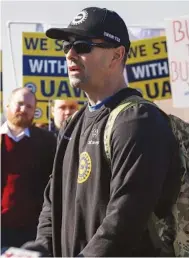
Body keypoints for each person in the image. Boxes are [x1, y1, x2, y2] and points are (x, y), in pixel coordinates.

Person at [23, 7, 180, 257]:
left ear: (117, 55)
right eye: (66, 46)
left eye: (83, 46)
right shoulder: (74, 123)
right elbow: (53, 203)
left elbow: (124, 222)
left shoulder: (138, 121)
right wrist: (38, 249)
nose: (70, 54)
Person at [1, 87, 56, 248]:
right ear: (8, 105)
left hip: (33, 231)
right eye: (19, 104)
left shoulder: (47, 141)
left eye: (29, 106)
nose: (23, 109)